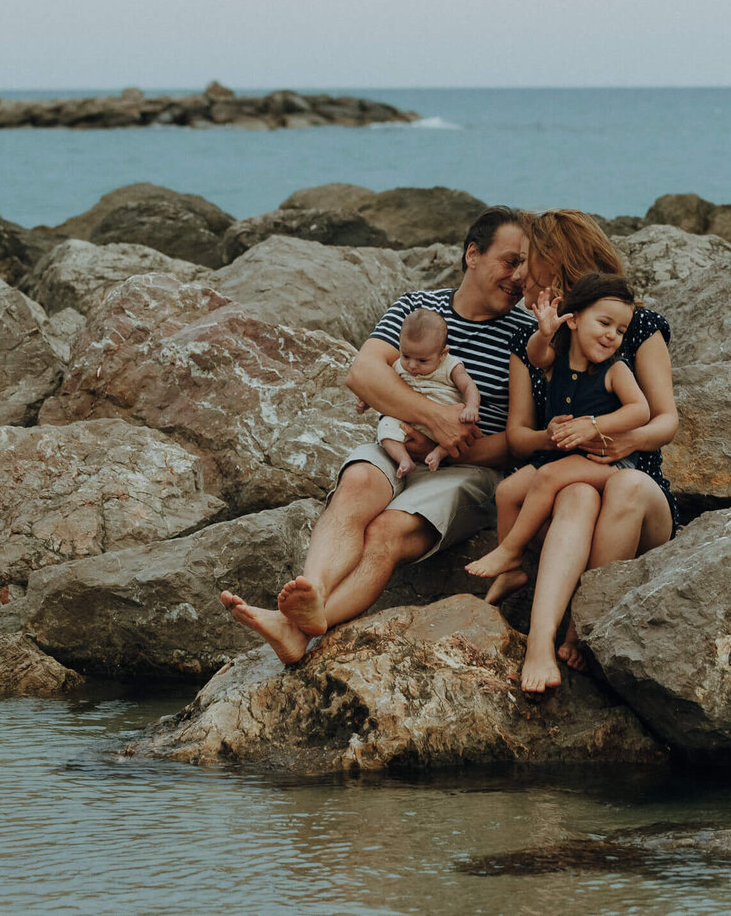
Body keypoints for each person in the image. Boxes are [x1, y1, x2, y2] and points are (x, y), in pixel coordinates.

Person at [221, 207, 531, 663]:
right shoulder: (414, 308)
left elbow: (519, 439)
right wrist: (434, 418)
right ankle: (314, 596)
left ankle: (295, 628)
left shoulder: (525, 335)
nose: (519, 276)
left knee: (386, 528)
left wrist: (446, 441)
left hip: (469, 467)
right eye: (510, 261)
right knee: (358, 483)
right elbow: (364, 373)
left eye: (525, 265)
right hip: (395, 445)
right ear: (472, 254)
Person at [496, 210, 680, 694]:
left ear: (553, 260)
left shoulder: (636, 326)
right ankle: (542, 644)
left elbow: (665, 420)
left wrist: (624, 438)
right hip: (560, 493)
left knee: (624, 484)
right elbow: (518, 437)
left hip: (636, 497)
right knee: (574, 492)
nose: (519, 275)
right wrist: (553, 436)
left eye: (526, 261)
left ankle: (580, 628)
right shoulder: (534, 339)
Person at [467, 272, 650, 582]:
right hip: (558, 456)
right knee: (507, 491)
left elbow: (640, 410)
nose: (612, 336)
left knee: (549, 477)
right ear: (575, 321)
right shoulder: (557, 360)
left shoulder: (615, 369)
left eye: (620, 330)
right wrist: (544, 332)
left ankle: (511, 549)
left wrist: (594, 425)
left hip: (606, 463)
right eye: (604, 324)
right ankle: (512, 570)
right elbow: (536, 355)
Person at [373, 307, 481, 477]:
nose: (412, 365)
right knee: (385, 428)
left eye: (422, 360)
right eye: (406, 355)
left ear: (443, 354)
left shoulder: (451, 366)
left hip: (446, 421)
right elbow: (381, 386)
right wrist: (365, 400)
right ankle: (404, 459)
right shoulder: (398, 366)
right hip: (408, 420)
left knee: (462, 429)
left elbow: (469, 386)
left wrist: (471, 407)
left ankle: (438, 453)